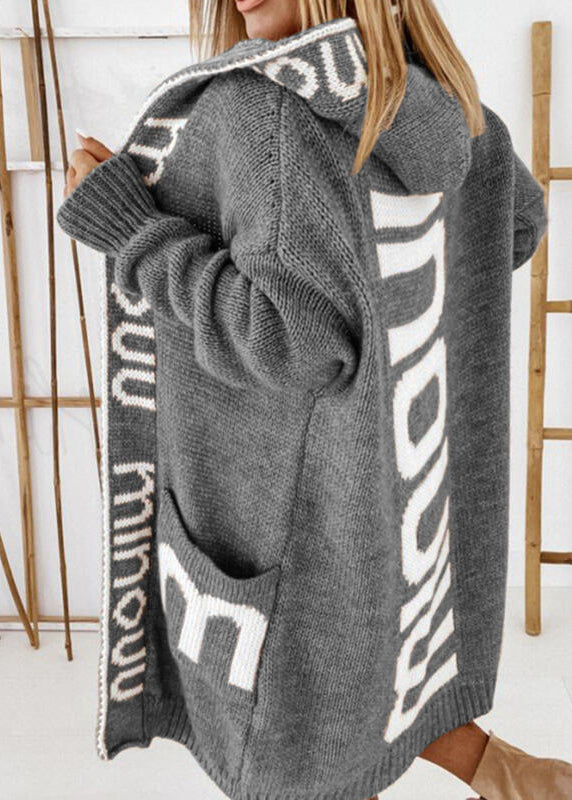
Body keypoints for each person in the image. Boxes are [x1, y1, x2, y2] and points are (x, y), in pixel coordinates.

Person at [57, 1, 571, 799]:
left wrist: (132, 231)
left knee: (300, 732)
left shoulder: (258, 112)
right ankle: (503, 772)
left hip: (303, 518)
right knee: (376, 675)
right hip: (402, 502)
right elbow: (516, 225)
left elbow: (290, 343)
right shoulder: (444, 105)